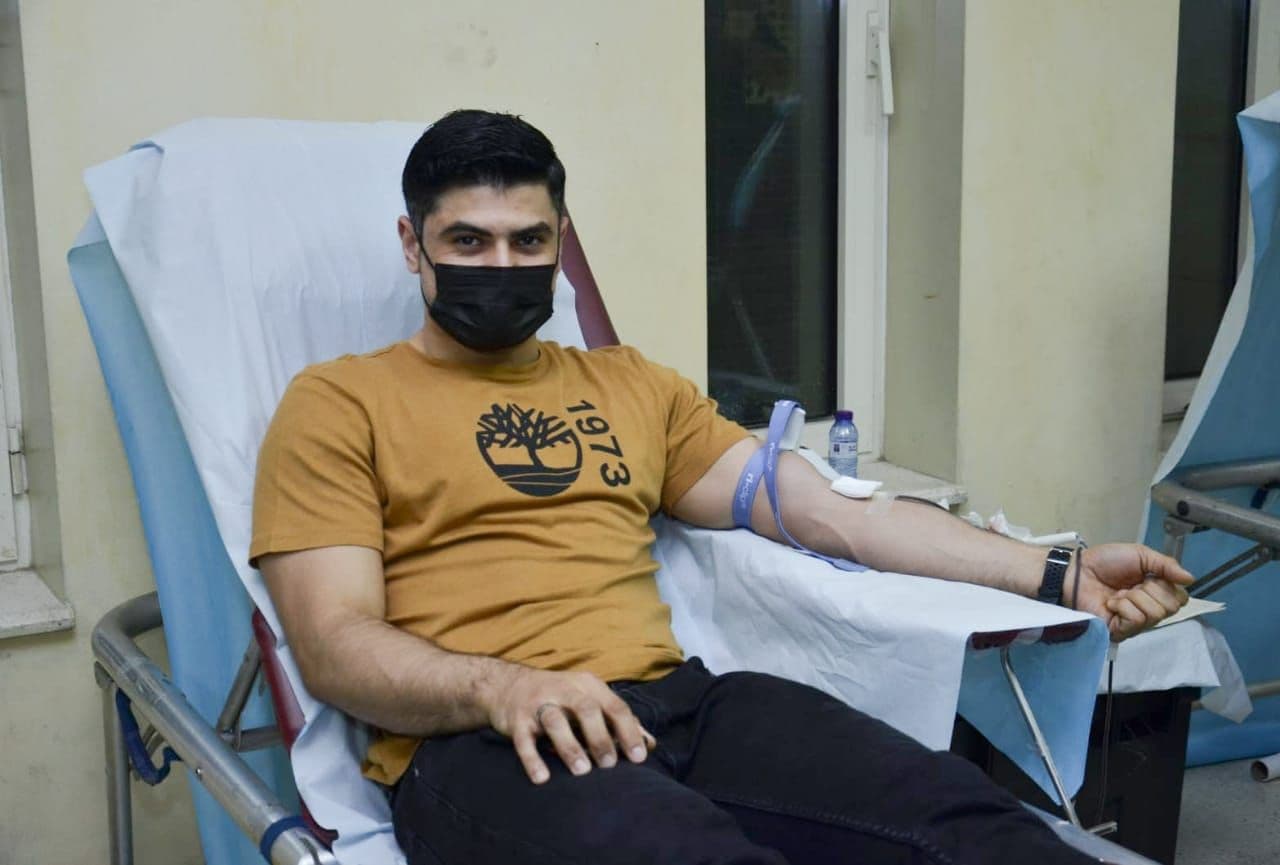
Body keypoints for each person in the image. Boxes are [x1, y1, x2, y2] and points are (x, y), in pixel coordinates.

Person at [251, 109, 1193, 865]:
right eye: (469, 240)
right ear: (412, 244)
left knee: (967, 822)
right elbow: (333, 645)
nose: (501, 267)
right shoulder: (340, 403)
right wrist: (502, 688)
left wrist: (1055, 570)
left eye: (527, 240)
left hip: (686, 705)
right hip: (486, 742)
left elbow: (830, 513)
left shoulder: (629, 385)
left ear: (560, 241)